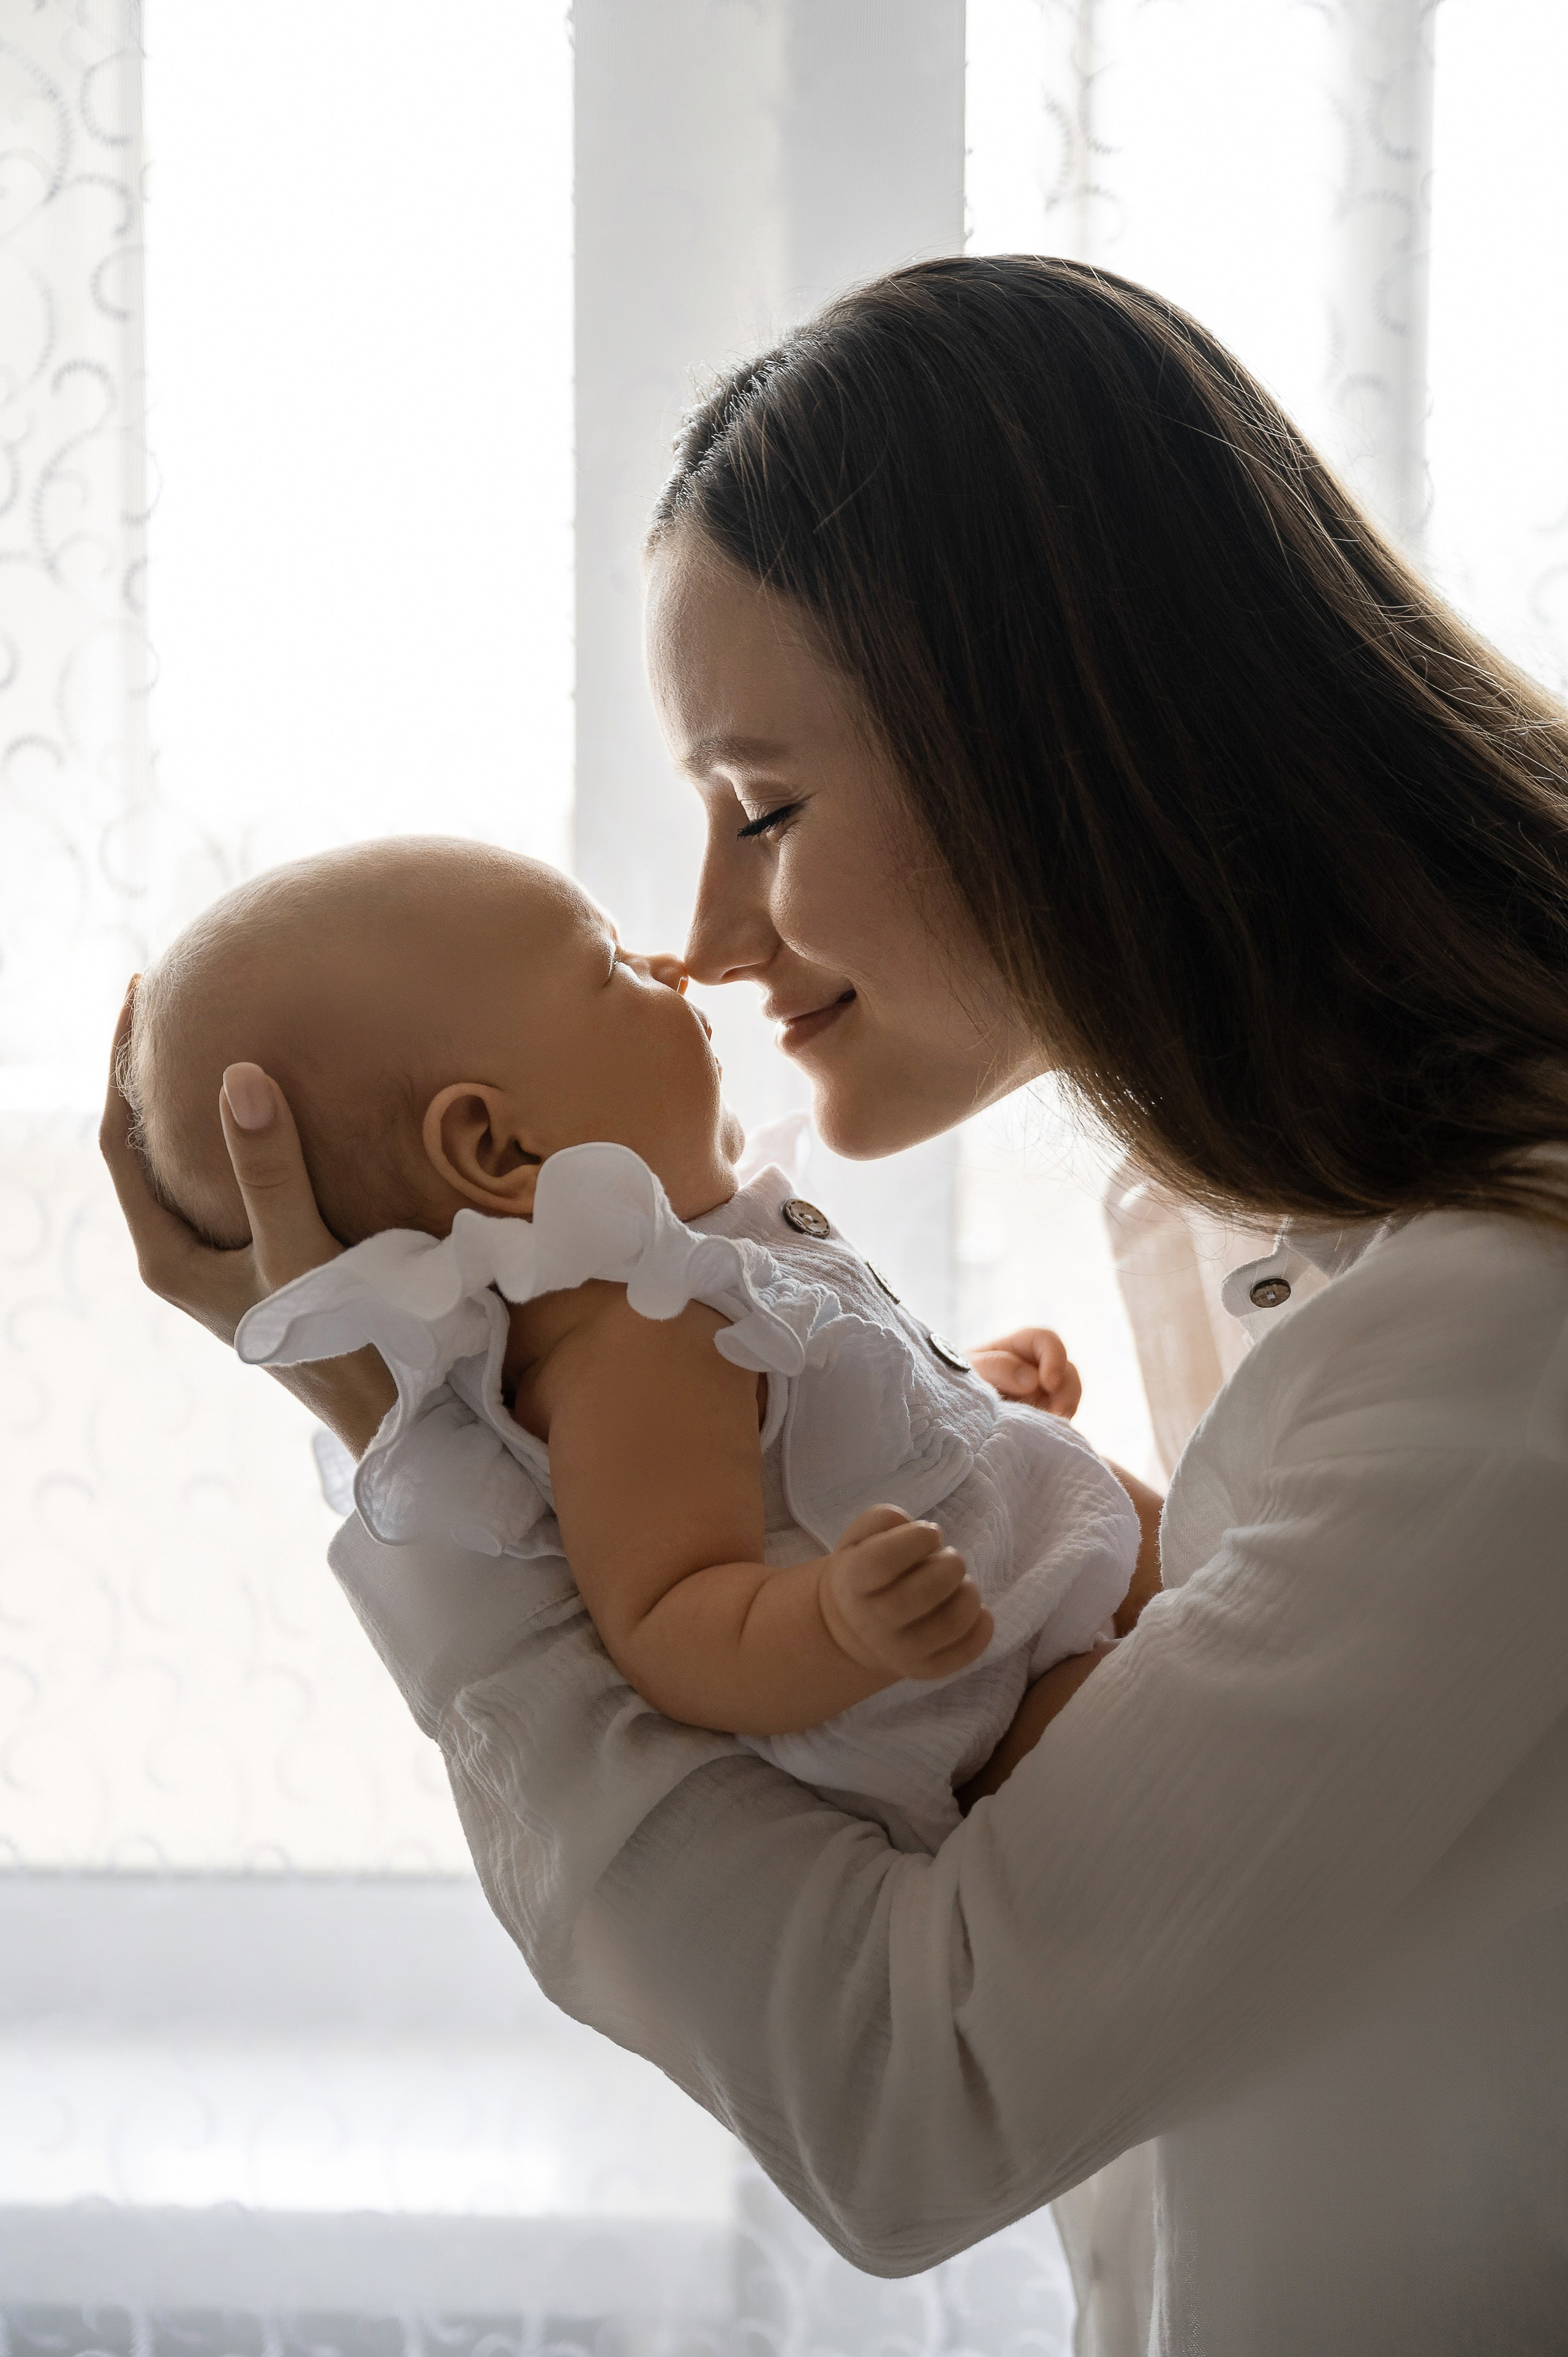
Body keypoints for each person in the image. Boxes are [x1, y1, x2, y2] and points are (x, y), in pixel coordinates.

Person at [104, 257, 1568, 2353]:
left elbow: (918, 2090)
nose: (708, 940)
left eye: (762, 808)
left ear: (1058, 732)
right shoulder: (1286, 1224)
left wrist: (437, 1464)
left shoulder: (1500, 1327)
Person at [118, 838, 1142, 1852]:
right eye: (608, 966)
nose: (671, 966)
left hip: (1029, 1611)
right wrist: (839, 1621)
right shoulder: (632, 1343)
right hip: (1002, 1710)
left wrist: (959, 1400)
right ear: (497, 1149)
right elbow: (672, 1618)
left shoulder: (692, 1273)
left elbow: (799, 1456)